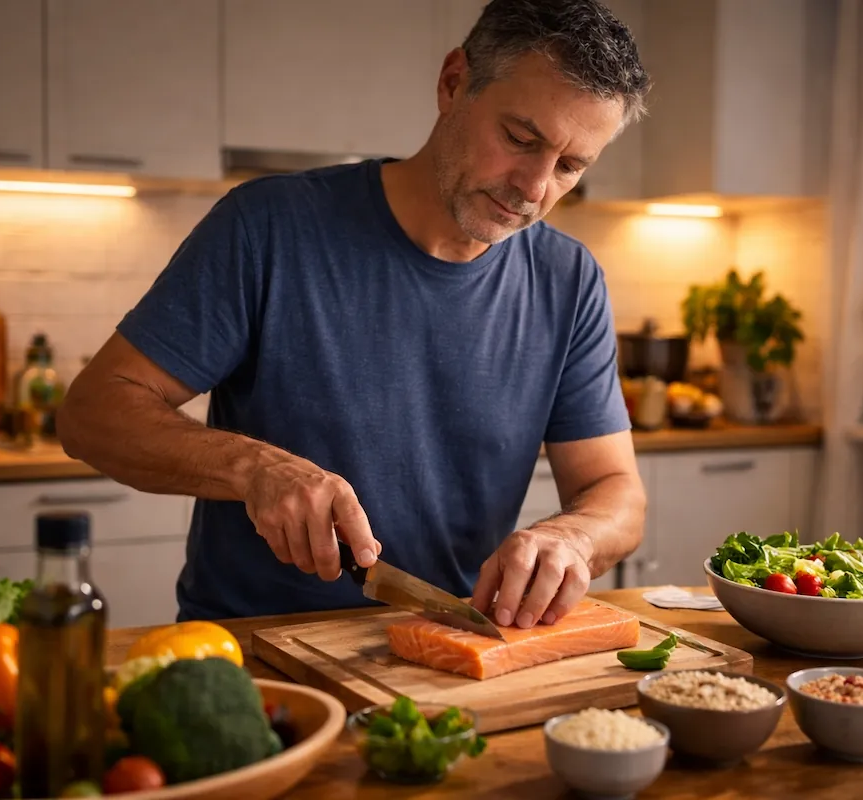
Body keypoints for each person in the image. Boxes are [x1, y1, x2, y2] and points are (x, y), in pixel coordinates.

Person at [57, 0, 651, 629]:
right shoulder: (268, 227)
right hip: (255, 649)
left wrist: (573, 538)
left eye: (568, 167)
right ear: (454, 83)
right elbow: (92, 412)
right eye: (519, 139)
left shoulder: (569, 278)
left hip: (449, 641)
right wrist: (255, 469)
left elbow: (617, 493)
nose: (534, 189)